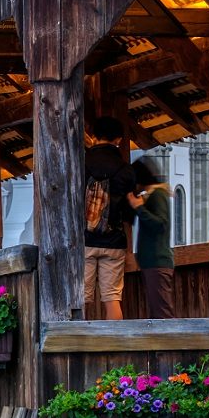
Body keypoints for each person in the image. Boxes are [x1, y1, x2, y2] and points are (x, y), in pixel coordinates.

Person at [81, 119, 139, 319]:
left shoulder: (82, 164)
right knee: (112, 297)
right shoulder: (126, 170)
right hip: (114, 241)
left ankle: (78, 344)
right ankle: (115, 347)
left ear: (93, 135)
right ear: (119, 140)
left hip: (84, 240)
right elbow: (130, 211)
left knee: (80, 298)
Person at [126, 157, 174, 319]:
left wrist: (139, 208)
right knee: (158, 311)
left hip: (157, 261)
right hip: (153, 263)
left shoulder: (158, 195)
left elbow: (160, 223)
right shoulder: (154, 194)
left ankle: (172, 343)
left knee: (162, 313)